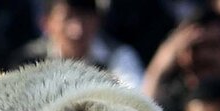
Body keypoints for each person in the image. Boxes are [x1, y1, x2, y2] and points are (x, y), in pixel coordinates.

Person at [9, 0, 145, 88]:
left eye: (85, 17)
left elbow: (134, 103)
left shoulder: (119, 57)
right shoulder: (28, 61)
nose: (77, 30)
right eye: (67, 18)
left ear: (98, 20)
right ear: (46, 24)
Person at [142, 8, 220, 111]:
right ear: (177, 55)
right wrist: (157, 70)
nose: (204, 56)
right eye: (195, 47)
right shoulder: (168, 108)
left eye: (213, 46)